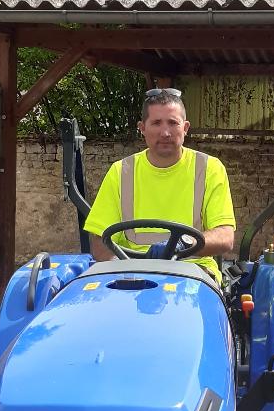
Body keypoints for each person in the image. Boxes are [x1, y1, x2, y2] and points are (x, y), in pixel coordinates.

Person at [83, 88, 236, 284]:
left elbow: (225, 236)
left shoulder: (209, 169)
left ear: (185, 128)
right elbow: (100, 241)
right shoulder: (121, 171)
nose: (165, 133)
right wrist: (127, 271)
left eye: (173, 123)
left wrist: (183, 243)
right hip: (131, 269)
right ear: (142, 128)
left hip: (192, 271)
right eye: (156, 123)